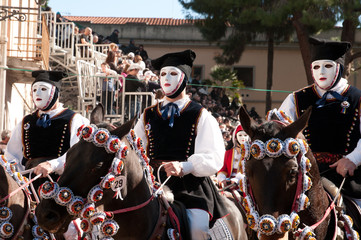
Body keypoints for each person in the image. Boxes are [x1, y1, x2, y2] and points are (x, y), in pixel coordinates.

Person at [134, 49, 228, 240]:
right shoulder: (147, 114)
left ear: (185, 79)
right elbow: (136, 149)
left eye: (173, 73)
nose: (166, 78)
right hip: (152, 182)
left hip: (189, 185)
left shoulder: (200, 114)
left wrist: (186, 166)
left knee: (198, 228)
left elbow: (214, 155)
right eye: (162, 74)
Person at [279, 37, 361, 206]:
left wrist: (353, 159)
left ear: (339, 68)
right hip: (304, 177)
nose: (321, 72)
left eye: (328, 66)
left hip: (349, 179)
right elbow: (278, 134)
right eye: (316, 67)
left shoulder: (357, 98)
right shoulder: (295, 99)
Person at [4, 70, 89, 176]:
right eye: (34, 90)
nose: (37, 93)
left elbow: (78, 153)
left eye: (43, 89)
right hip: (28, 183)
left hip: (60, 183)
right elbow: (11, 155)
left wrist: (53, 165)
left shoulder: (74, 119)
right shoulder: (25, 121)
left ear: (56, 93)